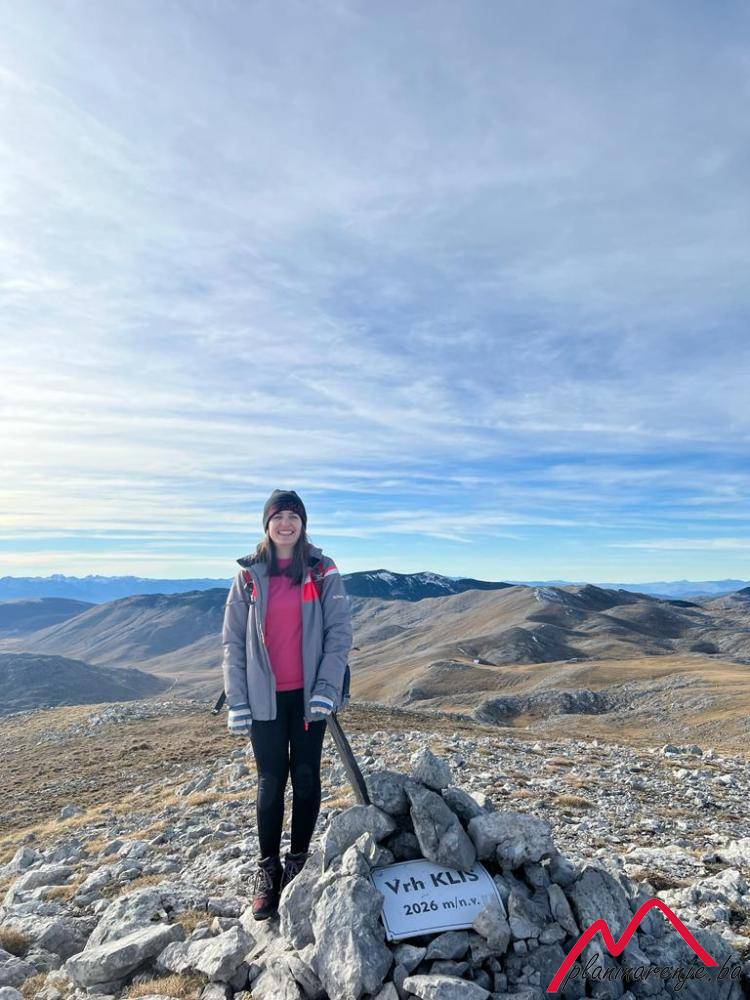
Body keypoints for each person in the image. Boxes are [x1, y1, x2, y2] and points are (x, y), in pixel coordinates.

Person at [221, 489, 353, 920]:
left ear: (303, 524)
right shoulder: (248, 576)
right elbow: (232, 643)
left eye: (294, 517)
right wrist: (237, 699)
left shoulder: (322, 569)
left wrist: (327, 688)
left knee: (307, 775)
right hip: (264, 697)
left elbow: (339, 634)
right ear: (267, 524)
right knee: (271, 780)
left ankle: (297, 862)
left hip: (311, 695)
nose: (286, 524)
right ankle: (268, 869)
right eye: (278, 517)